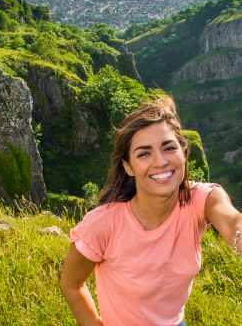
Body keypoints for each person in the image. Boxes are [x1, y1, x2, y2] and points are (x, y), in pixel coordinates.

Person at [60, 96, 242, 326]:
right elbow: (71, 283)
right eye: (144, 153)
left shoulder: (200, 199)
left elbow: (233, 221)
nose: (160, 161)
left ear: (184, 153)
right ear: (128, 166)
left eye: (169, 148)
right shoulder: (103, 223)